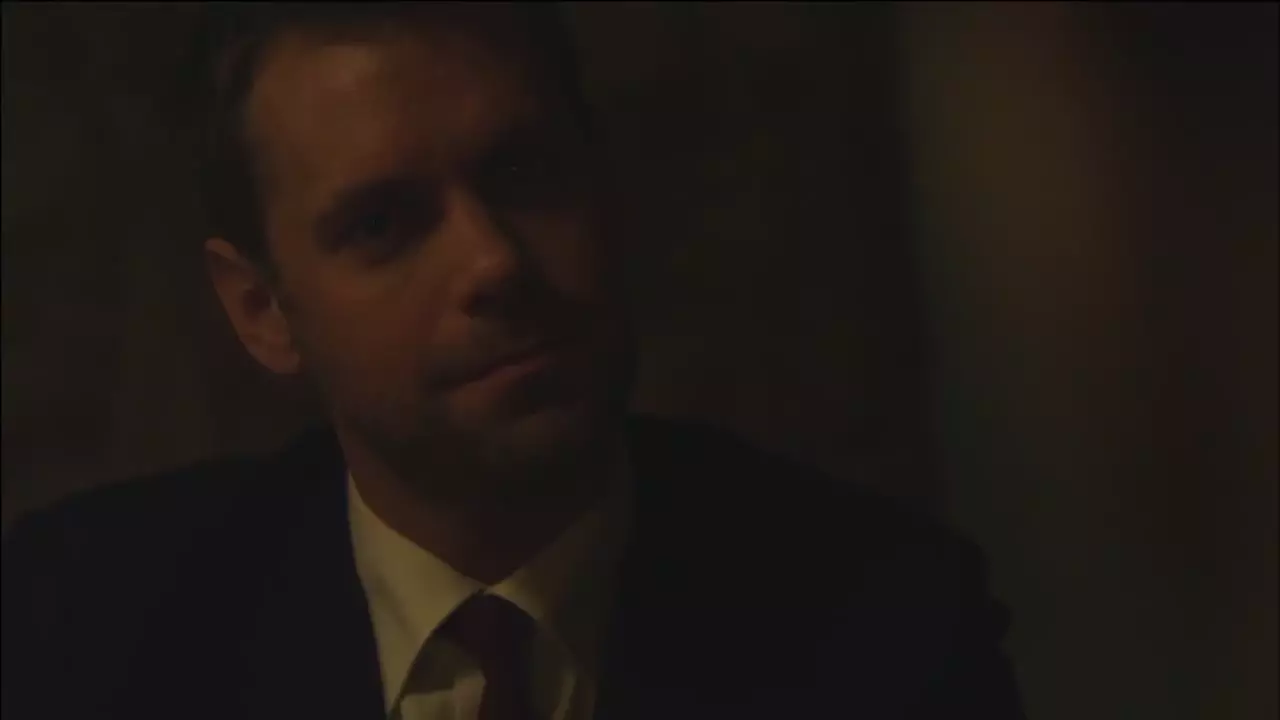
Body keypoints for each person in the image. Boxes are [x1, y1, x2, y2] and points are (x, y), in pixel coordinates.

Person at [0, 4, 1024, 719]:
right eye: (385, 224)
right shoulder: (80, 637)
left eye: (525, 173)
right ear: (263, 310)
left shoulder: (886, 628)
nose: (493, 260)